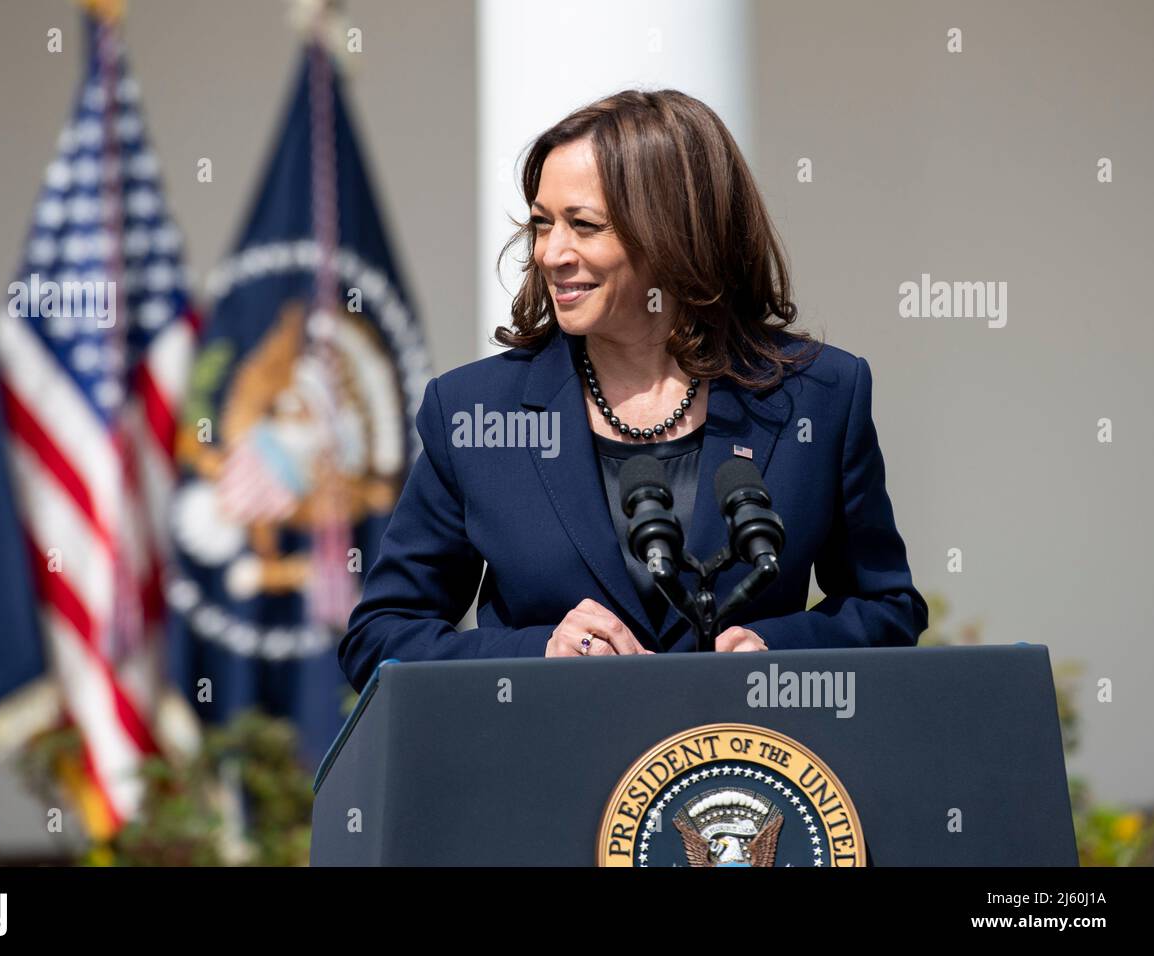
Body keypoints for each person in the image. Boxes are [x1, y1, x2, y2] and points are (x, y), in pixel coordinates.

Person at [339, 89, 927, 692]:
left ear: (674, 233)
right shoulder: (471, 412)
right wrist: (537, 653)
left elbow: (887, 610)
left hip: (740, 773)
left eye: (584, 226)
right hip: (546, 774)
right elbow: (379, 638)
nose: (551, 253)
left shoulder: (821, 394)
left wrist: (775, 650)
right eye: (542, 224)